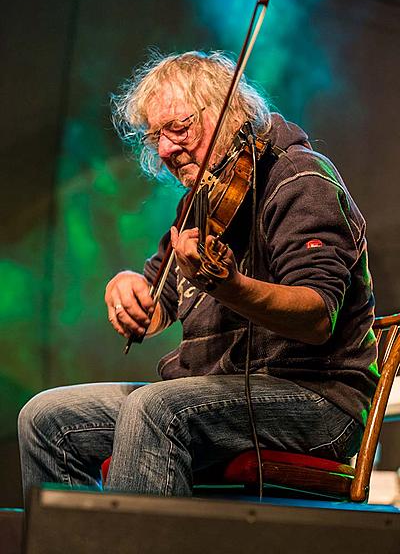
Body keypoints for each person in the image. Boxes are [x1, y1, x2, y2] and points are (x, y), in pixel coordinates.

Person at [18, 51, 377, 500]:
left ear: (227, 112)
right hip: (211, 391)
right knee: (45, 417)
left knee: (157, 408)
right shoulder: (200, 201)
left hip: (315, 399)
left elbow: (317, 316)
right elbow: (157, 303)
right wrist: (128, 288)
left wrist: (229, 288)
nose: (165, 148)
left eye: (179, 129)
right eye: (155, 137)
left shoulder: (300, 179)